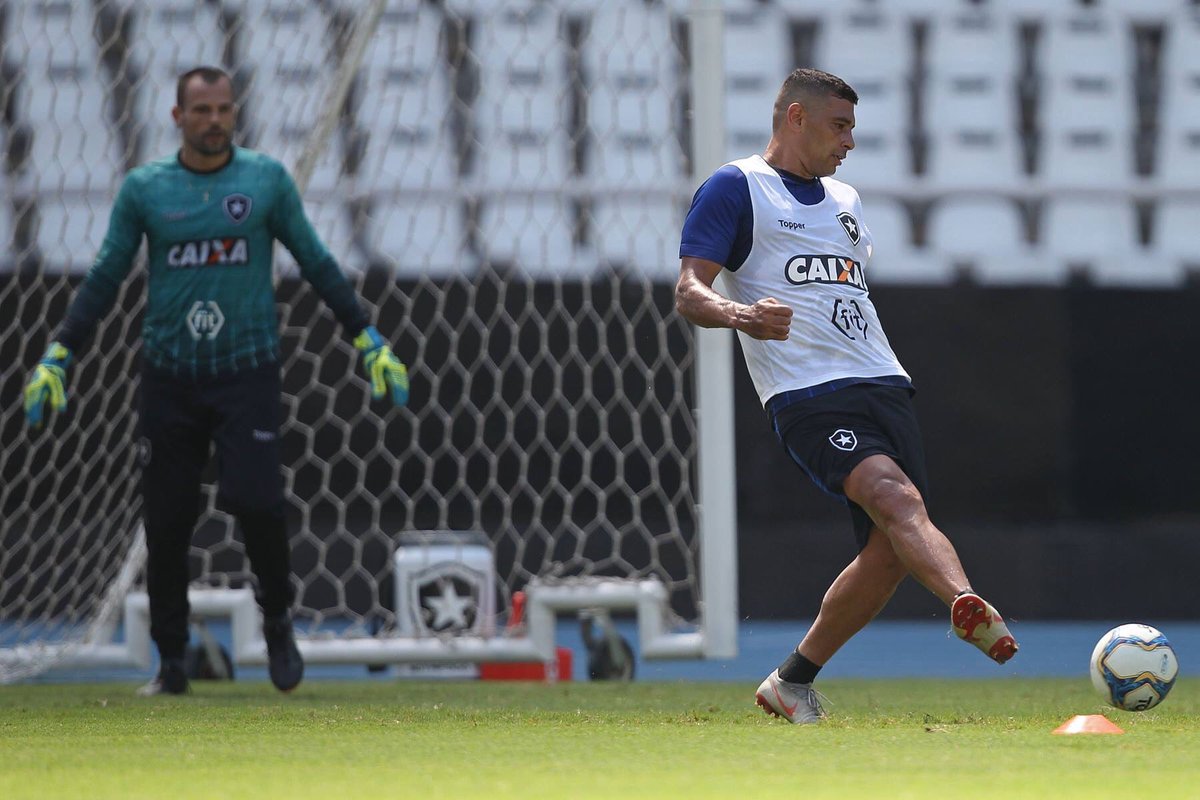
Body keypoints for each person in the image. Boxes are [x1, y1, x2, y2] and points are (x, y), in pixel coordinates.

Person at [22, 66, 410, 696]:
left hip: (245, 373)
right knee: (167, 522)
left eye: (224, 110)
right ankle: (172, 662)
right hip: (170, 379)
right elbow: (105, 275)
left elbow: (316, 260)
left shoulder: (265, 182)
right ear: (178, 117)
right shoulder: (147, 190)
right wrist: (58, 354)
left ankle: (278, 619)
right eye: (202, 111)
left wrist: (366, 337)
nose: (215, 121)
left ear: (236, 113)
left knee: (257, 502)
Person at [674, 67, 1018, 724]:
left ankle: (791, 681)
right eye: (840, 126)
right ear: (795, 117)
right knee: (895, 497)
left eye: (853, 128)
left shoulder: (847, 202)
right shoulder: (736, 188)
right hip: (806, 393)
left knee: (889, 549)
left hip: (883, 384)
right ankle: (968, 605)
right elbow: (689, 291)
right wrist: (742, 316)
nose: (849, 141)